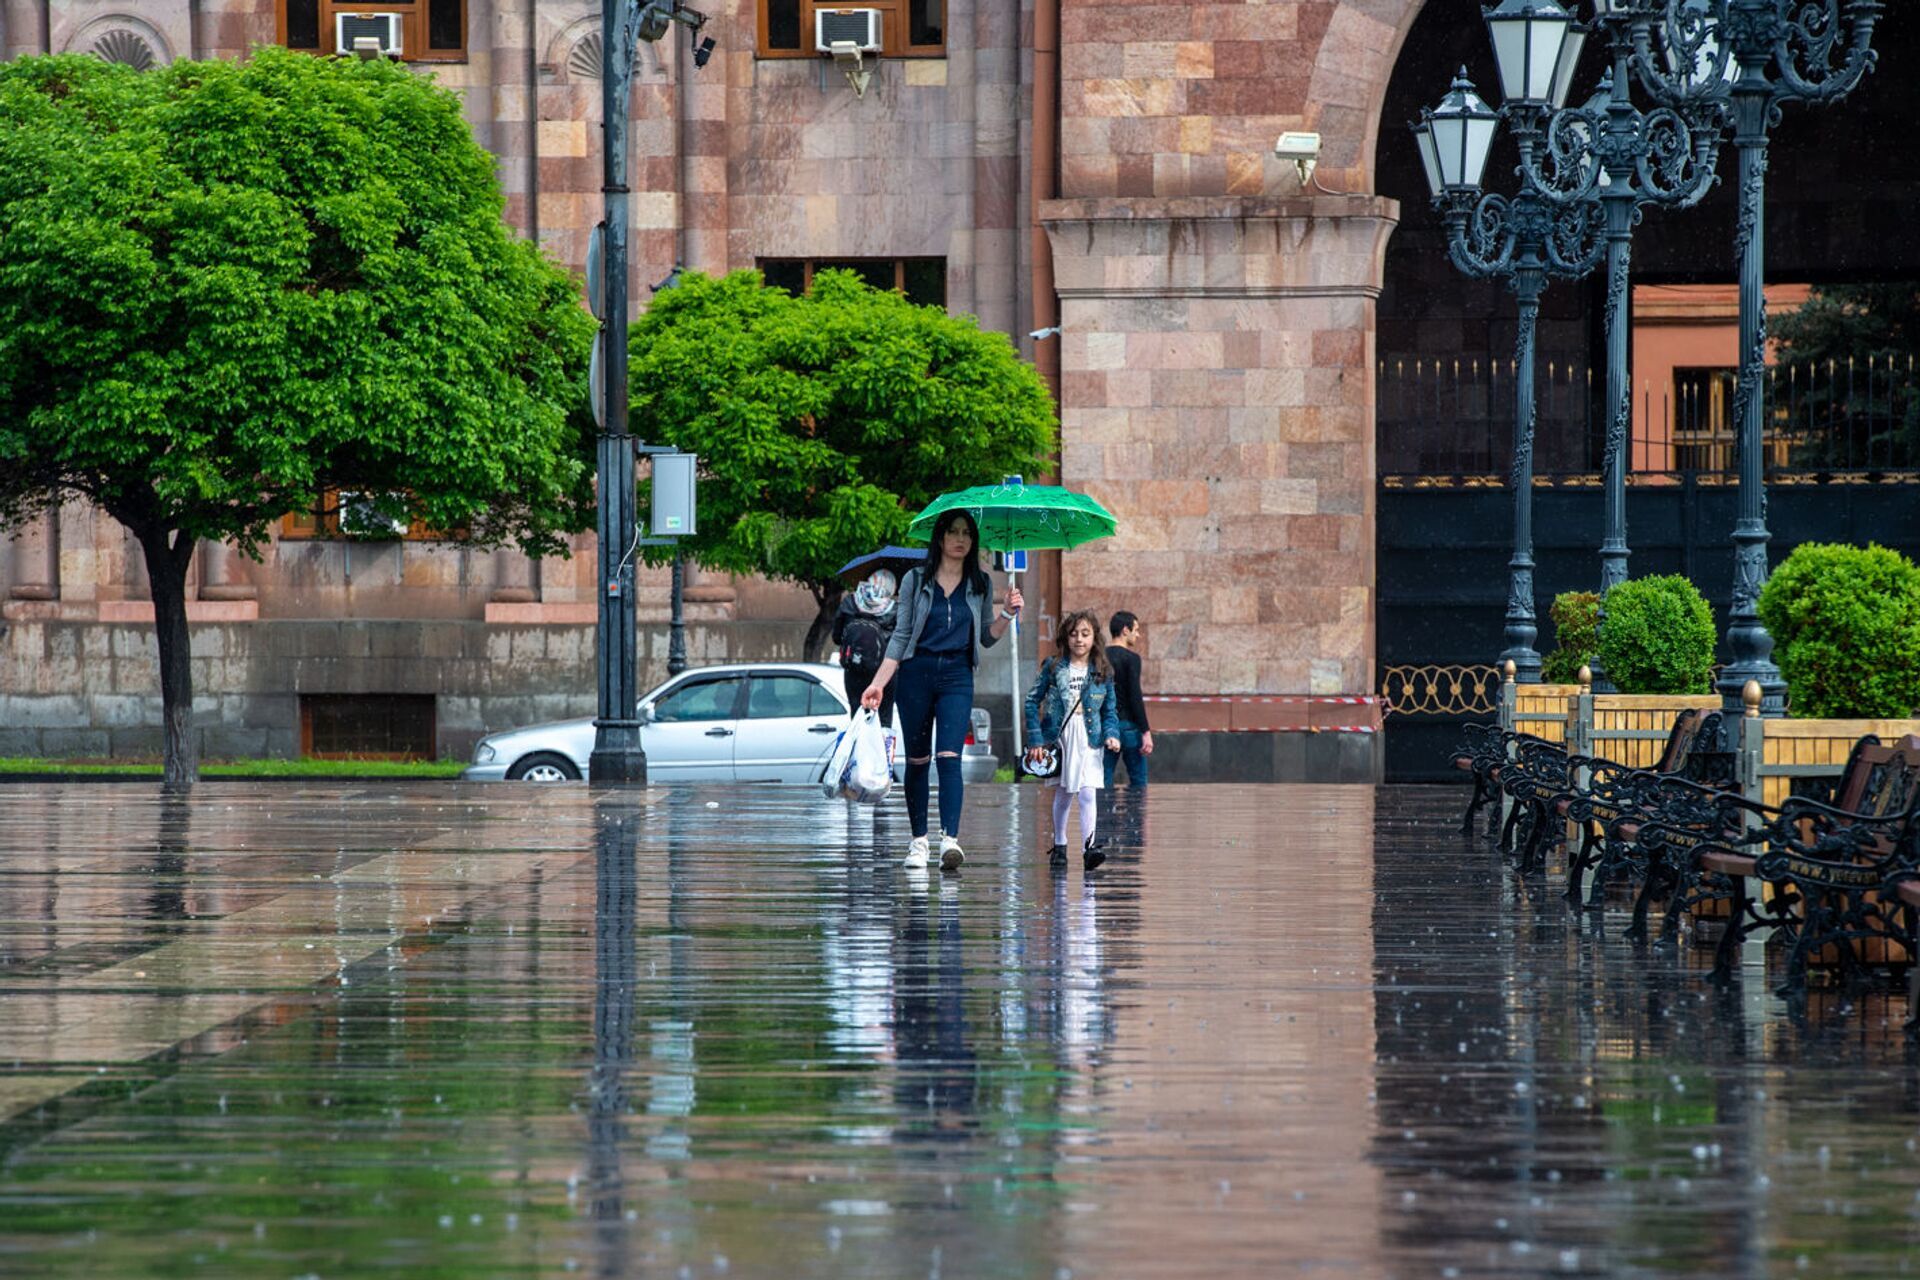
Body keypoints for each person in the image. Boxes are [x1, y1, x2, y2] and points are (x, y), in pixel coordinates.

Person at [860, 511, 1022, 871]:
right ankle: (919, 843)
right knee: (918, 761)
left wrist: (1008, 614)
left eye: (966, 533)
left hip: (957, 675)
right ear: (940, 537)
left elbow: (985, 637)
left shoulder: (980, 583)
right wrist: (878, 683)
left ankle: (950, 840)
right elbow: (901, 637)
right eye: (953, 532)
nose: (960, 539)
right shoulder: (915, 580)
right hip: (916, 673)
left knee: (949, 757)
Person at [1024, 611, 1122, 872]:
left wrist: (1112, 734)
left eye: (1085, 634)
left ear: (1094, 638)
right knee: (1065, 793)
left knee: (1088, 792)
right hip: (1061, 736)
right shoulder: (1053, 666)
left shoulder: (1102, 670)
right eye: (1074, 633)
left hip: (1091, 737)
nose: (1079, 639)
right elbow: (1032, 701)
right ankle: (1060, 845)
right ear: (1066, 637)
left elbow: (1110, 710)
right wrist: (1036, 739)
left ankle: (1089, 848)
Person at [832, 568, 898, 725]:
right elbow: (899, 643)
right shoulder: (895, 608)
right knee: (884, 719)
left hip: (853, 668)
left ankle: (859, 748)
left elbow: (836, 637)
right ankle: (881, 749)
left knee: (857, 717)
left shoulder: (849, 602)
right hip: (884, 672)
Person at [1104, 610, 1154, 789]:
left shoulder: (1100, 657)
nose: (1138, 635)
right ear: (1125, 630)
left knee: (1103, 778)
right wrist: (1145, 731)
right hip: (1129, 727)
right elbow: (1135, 695)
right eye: (1136, 630)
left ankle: (1104, 815)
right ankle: (1136, 815)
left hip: (1107, 727)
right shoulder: (1132, 659)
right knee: (1138, 780)